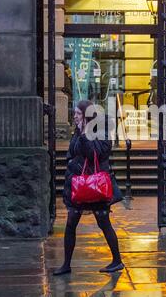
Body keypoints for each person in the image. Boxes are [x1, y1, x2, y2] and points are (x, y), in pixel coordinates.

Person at [53, 99, 124, 276]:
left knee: (103, 222)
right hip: (79, 184)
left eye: (77, 113)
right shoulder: (77, 130)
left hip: (95, 186)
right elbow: (73, 151)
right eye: (75, 113)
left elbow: (97, 153)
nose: (74, 116)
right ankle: (66, 264)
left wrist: (85, 134)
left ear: (86, 115)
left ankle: (117, 261)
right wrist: (71, 163)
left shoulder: (101, 130)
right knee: (70, 223)